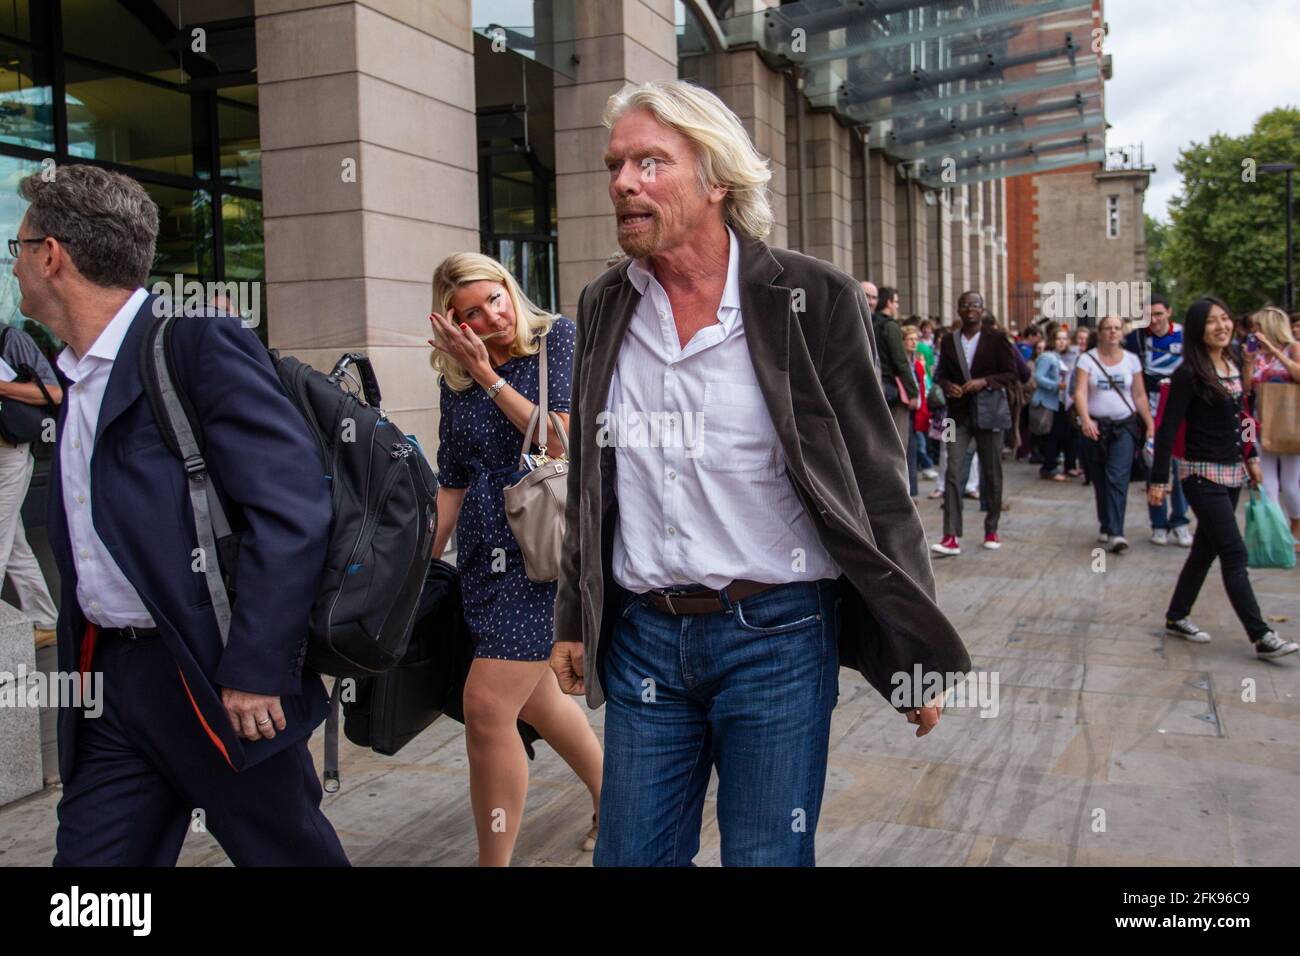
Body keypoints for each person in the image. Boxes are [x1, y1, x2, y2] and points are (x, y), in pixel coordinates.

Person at [549, 79, 968, 867]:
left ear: (718, 180)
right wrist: (575, 612)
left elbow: (879, 486)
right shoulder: (606, 303)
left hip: (777, 636)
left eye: (650, 162)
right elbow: (589, 479)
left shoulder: (811, 299)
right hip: (643, 638)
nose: (623, 183)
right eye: (616, 165)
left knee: (767, 857)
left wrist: (915, 650)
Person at [15, 163, 348, 866]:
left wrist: (257, 665)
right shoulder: (75, 375)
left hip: (216, 676)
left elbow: (290, 509)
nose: (13, 265)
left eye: (16, 247)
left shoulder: (192, 344)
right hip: (112, 687)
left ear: (52, 255)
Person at [428, 252, 603, 866]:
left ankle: (492, 863)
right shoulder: (453, 378)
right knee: (536, 699)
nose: (491, 317)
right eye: (470, 314)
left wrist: (490, 377)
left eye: (495, 298)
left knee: (486, 705)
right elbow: (452, 474)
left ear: (511, 287)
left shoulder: (559, 340)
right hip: (483, 557)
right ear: (453, 323)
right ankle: (613, 796)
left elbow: (563, 440)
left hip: (545, 555)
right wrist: (424, 555)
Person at [1149, 298, 1298, 660]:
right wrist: (1158, 480)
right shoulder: (1189, 374)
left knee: (1205, 550)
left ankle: (1176, 615)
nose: (1222, 326)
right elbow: (1166, 428)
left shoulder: (1232, 364)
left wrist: (1250, 457)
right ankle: (1261, 635)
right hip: (1200, 475)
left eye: (1226, 319)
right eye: (1213, 321)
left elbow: (1244, 416)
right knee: (1234, 552)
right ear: (1199, 330)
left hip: (1232, 474)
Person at [931, 291, 1021, 555]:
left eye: (975, 305)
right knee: (953, 472)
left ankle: (991, 528)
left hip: (989, 413)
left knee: (991, 473)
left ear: (982, 310)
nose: (970, 309)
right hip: (957, 414)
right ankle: (950, 536)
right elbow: (940, 375)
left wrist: (984, 382)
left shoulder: (996, 338)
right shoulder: (949, 340)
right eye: (965, 305)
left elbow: (1012, 374)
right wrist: (948, 386)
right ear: (958, 310)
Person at [0, 320, 61, 642]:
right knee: (13, 544)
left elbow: (54, 392)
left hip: (10, 452)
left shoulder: (12, 339)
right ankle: (46, 620)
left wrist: (3, 386)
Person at [1075, 315, 1154, 553]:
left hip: (1125, 425)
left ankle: (1117, 532)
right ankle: (1106, 522)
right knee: (1099, 478)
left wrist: (1149, 423)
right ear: (1099, 332)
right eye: (1108, 328)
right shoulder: (1086, 360)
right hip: (1097, 427)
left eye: (1117, 328)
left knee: (1117, 476)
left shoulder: (1131, 361)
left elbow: (1139, 395)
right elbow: (1080, 392)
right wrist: (1086, 419)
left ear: (1122, 333)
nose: (1112, 332)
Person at [1124, 295, 1192, 546]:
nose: (1155, 320)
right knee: (1154, 466)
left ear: (1169, 312)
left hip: (1181, 409)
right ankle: (1158, 522)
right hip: (1150, 412)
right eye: (1150, 315)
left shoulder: (1185, 336)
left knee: (1180, 468)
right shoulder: (1136, 338)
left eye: (1160, 314)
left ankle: (1180, 520)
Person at [1244, 305, 1300, 549]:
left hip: (1289, 425)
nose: (1254, 332)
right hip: (1260, 424)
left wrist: (1275, 351)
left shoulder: (1293, 348)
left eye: (1257, 326)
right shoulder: (1256, 355)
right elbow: (1246, 390)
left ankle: (1296, 525)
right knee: (1267, 484)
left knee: (1290, 483)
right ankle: (1277, 532)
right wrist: (1247, 363)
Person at [872, 285, 919, 450]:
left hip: (869, 387)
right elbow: (900, 362)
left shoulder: (867, 322)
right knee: (898, 443)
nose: (897, 306)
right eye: (896, 302)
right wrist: (913, 392)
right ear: (888, 302)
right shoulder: (890, 326)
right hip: (889, 387)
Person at [1032, 326, 1072, 481]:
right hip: (1048, 401)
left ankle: (1052, 465)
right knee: (1051, 435)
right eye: (1058, 339)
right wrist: (1056, 385)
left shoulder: (1058, 357)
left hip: (1059, 401)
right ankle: (1049, 467)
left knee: (1059, 433)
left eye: (1064, 339)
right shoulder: (1047, 357)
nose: (1062, 342)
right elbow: (1039, 377)